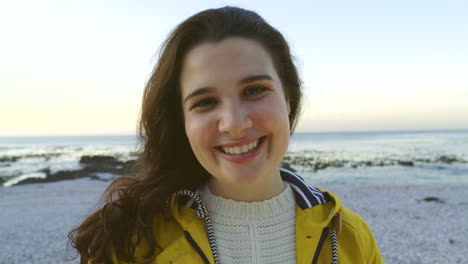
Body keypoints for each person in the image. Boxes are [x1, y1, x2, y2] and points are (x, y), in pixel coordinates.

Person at [69, 6, 383, 264]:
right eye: (205, 102)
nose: (234, 123)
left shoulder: (352, 237)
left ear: (288, 98)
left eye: (255, 90)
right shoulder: (130, 242)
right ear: (182, 121)